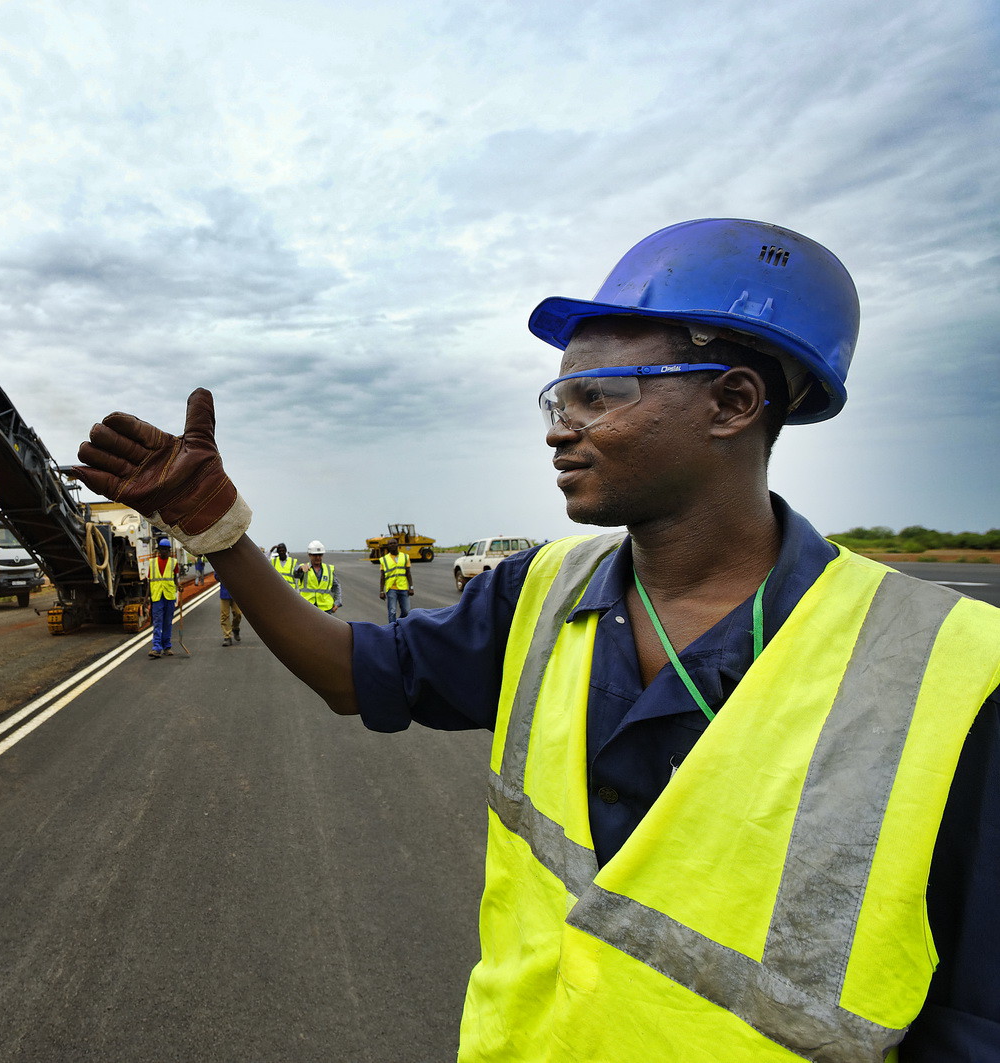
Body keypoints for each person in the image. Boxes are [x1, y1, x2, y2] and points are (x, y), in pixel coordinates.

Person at [73, 218, 1000, 1061]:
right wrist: (219, 532)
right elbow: (353, 674)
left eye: (596, 395)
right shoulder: (541, 592)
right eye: (555, 400)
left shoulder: (951, 676)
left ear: (733, 402)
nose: (560, 431)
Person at [146, 538, 178, 659]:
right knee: (157, 622)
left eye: (166, 550)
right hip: (157, 596)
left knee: (167, 623)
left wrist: (178, 586)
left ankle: (167, 646)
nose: (164, 552)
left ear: (169, 551)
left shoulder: (173, 563)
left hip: (169, 596)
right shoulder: (152, 563)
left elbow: (175, 578)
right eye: (162, 550)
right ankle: (156, 647)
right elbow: (150, 582)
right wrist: (146, 599)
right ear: (158, 550)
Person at [295, 541, 341, 613]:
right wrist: (300, 569)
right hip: (307, 607)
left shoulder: (329, 569)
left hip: (325, 609)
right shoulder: (303, 568)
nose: (318, 557)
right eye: (315, 555)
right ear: (309, 555)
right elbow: (295, 574)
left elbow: (336, 587)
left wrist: (337, 603)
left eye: (320, 555)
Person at [378, 536, 413, 623]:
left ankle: (399, 623)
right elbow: (382, 576)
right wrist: (381, 591)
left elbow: (408, 573)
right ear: (388, 546)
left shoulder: (405, 557)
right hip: (391, 588)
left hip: (403, 588)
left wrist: (411, 587)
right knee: (392, 611)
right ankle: (392, 628)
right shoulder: (384, 559)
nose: (392, 545)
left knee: (406, 611)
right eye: (390, 544)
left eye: (394, 543)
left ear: (398, 545)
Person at [220, 579, 244, 646]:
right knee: (224, 616)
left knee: (238, 614)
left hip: (236, 593)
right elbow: (216, 576)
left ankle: (235, 628)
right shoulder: (221, 568)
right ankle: (227, 637)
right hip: (224, 593)